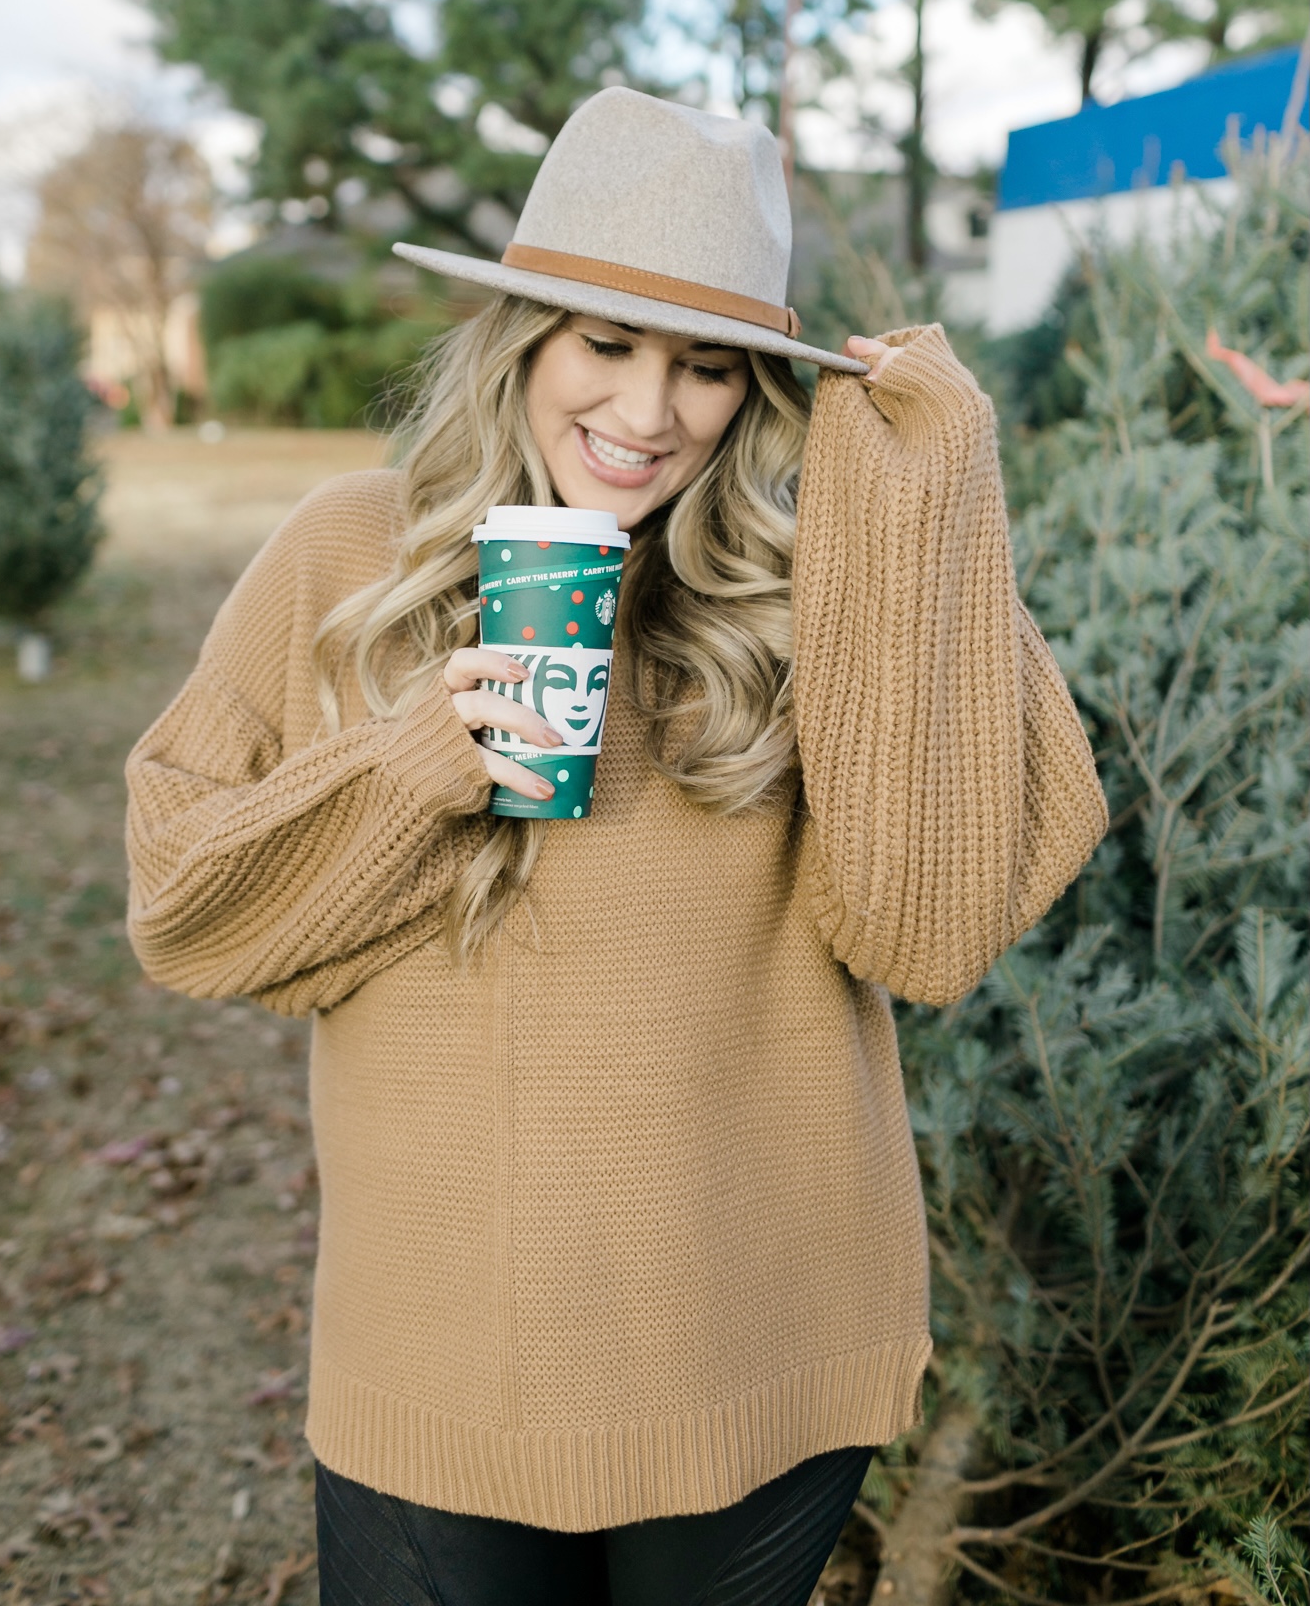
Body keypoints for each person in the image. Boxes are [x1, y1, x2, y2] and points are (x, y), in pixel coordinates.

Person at [125, 89, 1107, 1606]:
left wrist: (925, 513)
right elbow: (185, 916)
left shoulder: (806, 590)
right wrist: (410, 771)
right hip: (439, 1356)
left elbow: (927, 935)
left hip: (754, 1332)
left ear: (756, 389)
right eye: (605, 345)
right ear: (519, 334)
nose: (649, 414)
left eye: (707, 366)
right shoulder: (342, 558)